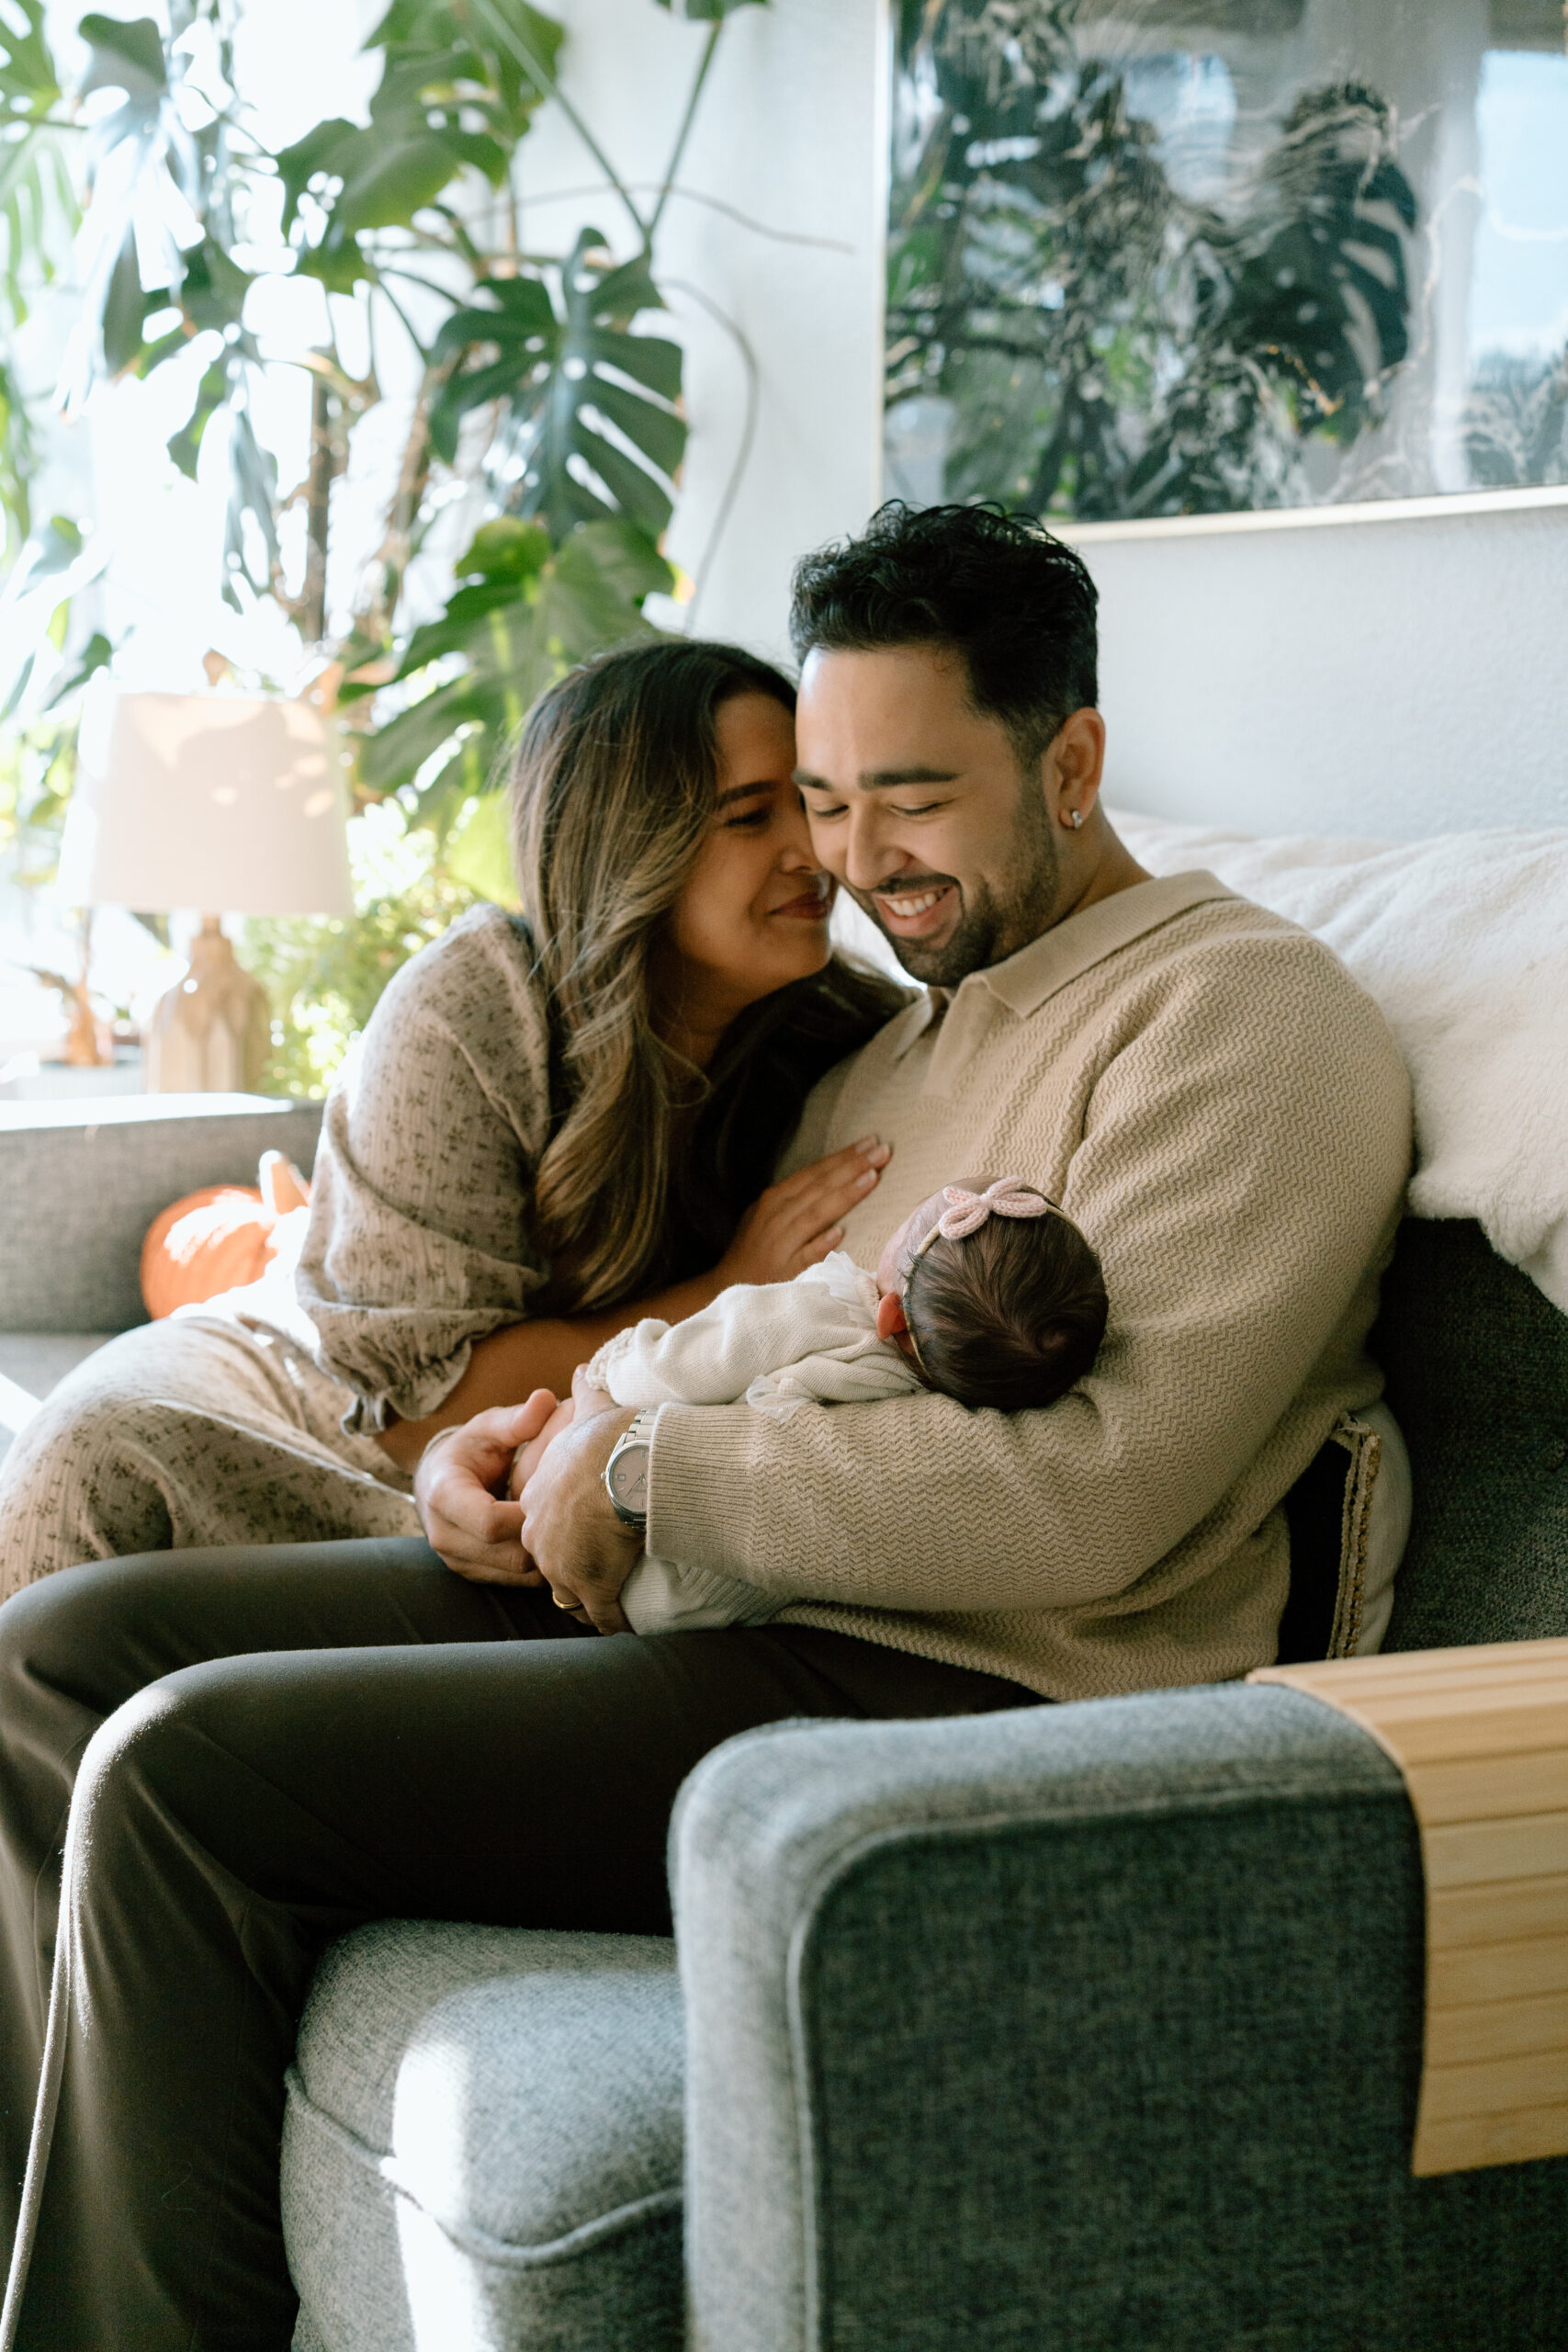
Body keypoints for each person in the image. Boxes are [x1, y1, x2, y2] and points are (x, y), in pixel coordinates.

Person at [0, 505, 1413, 2348]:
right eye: (820, 801)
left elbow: (1098, 1492)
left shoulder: (1234, 1016)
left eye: (906, 795)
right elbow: (744, 1334)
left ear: (1068, 759)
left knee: (189, 1775)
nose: (852, 856)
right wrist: (491, 1452)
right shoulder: (874, 1045)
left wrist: (651, 1470)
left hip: (974, 1691)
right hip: (738, 1603)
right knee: (58, 1650)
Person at [0, 640, 902, 1598]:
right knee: (96, 1449)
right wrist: (727, 1288)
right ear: (628, 839)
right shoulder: (476, 1005)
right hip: (308, 1398)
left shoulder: (848, 1034)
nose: (814, 850)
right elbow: (422, 1405)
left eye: (810, 801)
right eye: (751, 816)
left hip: (542, 1474)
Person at [526, 1172, 1109, 1634]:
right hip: (692, 1607)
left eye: (906, 1224)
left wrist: (606, 1372)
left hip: (612, 1542)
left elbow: (683, 1367)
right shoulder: (928, 1410)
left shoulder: (819, 1314)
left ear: (890, 1317)